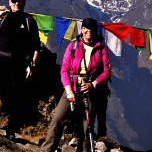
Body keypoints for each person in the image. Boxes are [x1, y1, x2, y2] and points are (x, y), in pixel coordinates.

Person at [0, 0, 40, 139]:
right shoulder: (3, 17)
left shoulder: (29, 21)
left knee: (14, 95)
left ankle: (11, 128)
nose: (16, 4)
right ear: (9, 2)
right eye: (14, 1)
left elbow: (35, 46)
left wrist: (31, 64)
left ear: (24, 2)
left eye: (19, 1)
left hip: (18, 63)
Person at [42, 18, 111, 152]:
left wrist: (93, 84)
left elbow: (106, 71)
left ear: (95, 30)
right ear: (82, 29)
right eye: (86, 28)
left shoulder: (101, 48)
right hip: (71, 88)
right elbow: (64, 70)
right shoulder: (73, 46)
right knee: (58, 119)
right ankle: (47, 149)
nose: (88, 31)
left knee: (87, 126)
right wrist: (68, 91)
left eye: (91, 28)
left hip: (90, 91)